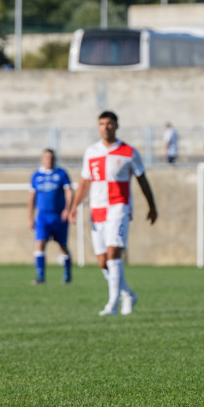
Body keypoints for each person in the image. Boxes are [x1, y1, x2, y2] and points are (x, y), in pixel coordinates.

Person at [68, 111, 158, 316]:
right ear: (98, 127)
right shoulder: (91, 151)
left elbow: (142, 180)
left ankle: (112, 305)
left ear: (116, 126)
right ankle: (128, 295)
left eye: (109, 123)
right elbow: (84, 181)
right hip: (96, 209)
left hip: (119, 208)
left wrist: (152, 206)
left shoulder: (129, 152)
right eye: (102, 124)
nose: (106, 127)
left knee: (113, 255)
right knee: (103, 262)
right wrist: (74, 206)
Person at [28, 148, 73, 285]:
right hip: (42, 217)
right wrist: (30, 217)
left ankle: (67, 275)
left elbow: (69, 192)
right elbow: (31, 198)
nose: (49, 159)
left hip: (59, 217)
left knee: (63, 246)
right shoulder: (36, 176)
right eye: (46, 157)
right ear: (42, 159)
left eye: (51, 157)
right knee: (40, 243)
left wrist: (67, 209)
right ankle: (40, 277)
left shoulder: (61, 174)